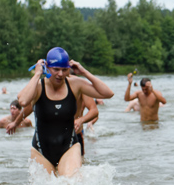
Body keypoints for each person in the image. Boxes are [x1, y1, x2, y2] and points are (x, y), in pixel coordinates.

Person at [14, 47, 114, 177]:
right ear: (47, 68)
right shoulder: (38, 87)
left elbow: (108, 93)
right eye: (56, 69)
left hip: (69, 148)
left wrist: (84, 72)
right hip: (41, 150)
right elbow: (22, 101)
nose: (60, 74)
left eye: (64, 69)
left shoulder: (75, 84)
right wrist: (37, 73)